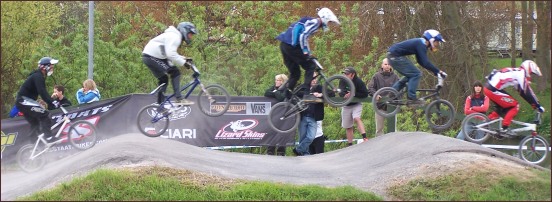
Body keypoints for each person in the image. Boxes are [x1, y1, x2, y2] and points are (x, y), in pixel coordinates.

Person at [275, 7, 340, 101]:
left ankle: (286, 96)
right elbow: (303, 36)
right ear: (325, 18)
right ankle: (306, 93)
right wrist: (306, 52)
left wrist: (308, 53)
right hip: (291, 46)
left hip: (284, 45)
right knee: (310, 67)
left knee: (295, 73)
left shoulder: (310, 21)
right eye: (329, 22)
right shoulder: (316, 23)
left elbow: (305, 39)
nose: (329, 24)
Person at [142, 21, 198, 106]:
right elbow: (170, 54)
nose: (191, 37)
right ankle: (179, 98)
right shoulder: (175, 37)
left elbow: (169, 53)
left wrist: (184, 58)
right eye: (190, 34)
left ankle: (160, 104)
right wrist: (184, 63)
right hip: (152, 56)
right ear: (184, 31)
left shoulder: (173, 35)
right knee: (175, 72)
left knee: (164, 79)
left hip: (153, 56)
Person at [386, 29, 447, 104]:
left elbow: (421, 62)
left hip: (393, 56)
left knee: (412, 75)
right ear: (431, 39)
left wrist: (436, 72)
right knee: (416, 74)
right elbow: (425, 62)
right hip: (395, 57)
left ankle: (393, 92)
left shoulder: (421, 44)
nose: (437, 44)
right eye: (437, 42)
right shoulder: (421, 44)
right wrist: (438, 71)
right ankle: (411, 98)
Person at [484, 60, 545, 135]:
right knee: (515, 106)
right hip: (493, 89)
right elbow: (528, 92)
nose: (531, 75)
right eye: (532, 73)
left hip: (489, 88)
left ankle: (485, 122)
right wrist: (538, 105)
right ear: (529, 69)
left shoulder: (516, 73)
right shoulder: (520, 74)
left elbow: (523, 93)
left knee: (503, 107)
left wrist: (534, 105)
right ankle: (504, 128)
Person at [15, 57, 60, 143]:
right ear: (45, 67)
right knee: (45, 114)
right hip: (24, 100)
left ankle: (35, 146)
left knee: (35, 123)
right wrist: (52, 101)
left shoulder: (39, 75)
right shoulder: (38, 76)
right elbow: (42, 92)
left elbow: (43, 92)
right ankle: (49, 137)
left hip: (23, 102)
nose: (52, 68)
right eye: (51, 66)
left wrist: (50, 102)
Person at [293, 73, 325, 156]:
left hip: (313, 117)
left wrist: (320, 94)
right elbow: (295, 93)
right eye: (312, 78)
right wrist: (309, 95)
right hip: (302, 116)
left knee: (310, 137)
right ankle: (305, 155)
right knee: (302, 138)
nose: (314, 80)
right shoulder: (304, 87)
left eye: (315, 78)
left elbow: (331, 93)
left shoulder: (319, 87)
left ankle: (298, 149)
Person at [367, 58, 400, 137]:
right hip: (380, 106)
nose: (387, 66)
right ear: (382, 65)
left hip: (392, 106)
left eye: (389, 64)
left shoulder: (395, 77)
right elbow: (370, 88)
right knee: (379, 129)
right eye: (385, 64)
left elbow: (401, 89)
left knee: (393, 130)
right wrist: (375, 94)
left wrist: (395, 98)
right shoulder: (376, 76)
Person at [341, 67, 369, 146]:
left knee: (356, 118)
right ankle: (350, 144)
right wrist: (344, 95)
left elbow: (365, 93)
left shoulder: (358, 81)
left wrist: (353, 94)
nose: (345, 75)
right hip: (346, 105)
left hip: (356, 104)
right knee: (348, 126)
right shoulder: (342, 80)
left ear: (352, 75)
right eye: (344, 73)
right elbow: (340, 91)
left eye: (347, 74)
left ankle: (365, 137)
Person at [264, 74, 289, 156]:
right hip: (274, 114)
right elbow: (266, 93)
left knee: (282, 132)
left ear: (283, 81)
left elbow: (282, 98)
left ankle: (281, 152)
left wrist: (275, 93)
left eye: (278, 80)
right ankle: (270, 151)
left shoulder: (286, 89)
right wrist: (275, 92)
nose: (276, 82)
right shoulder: (274, 87)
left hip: (284, 114)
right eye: (276, 80)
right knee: (272, 131)